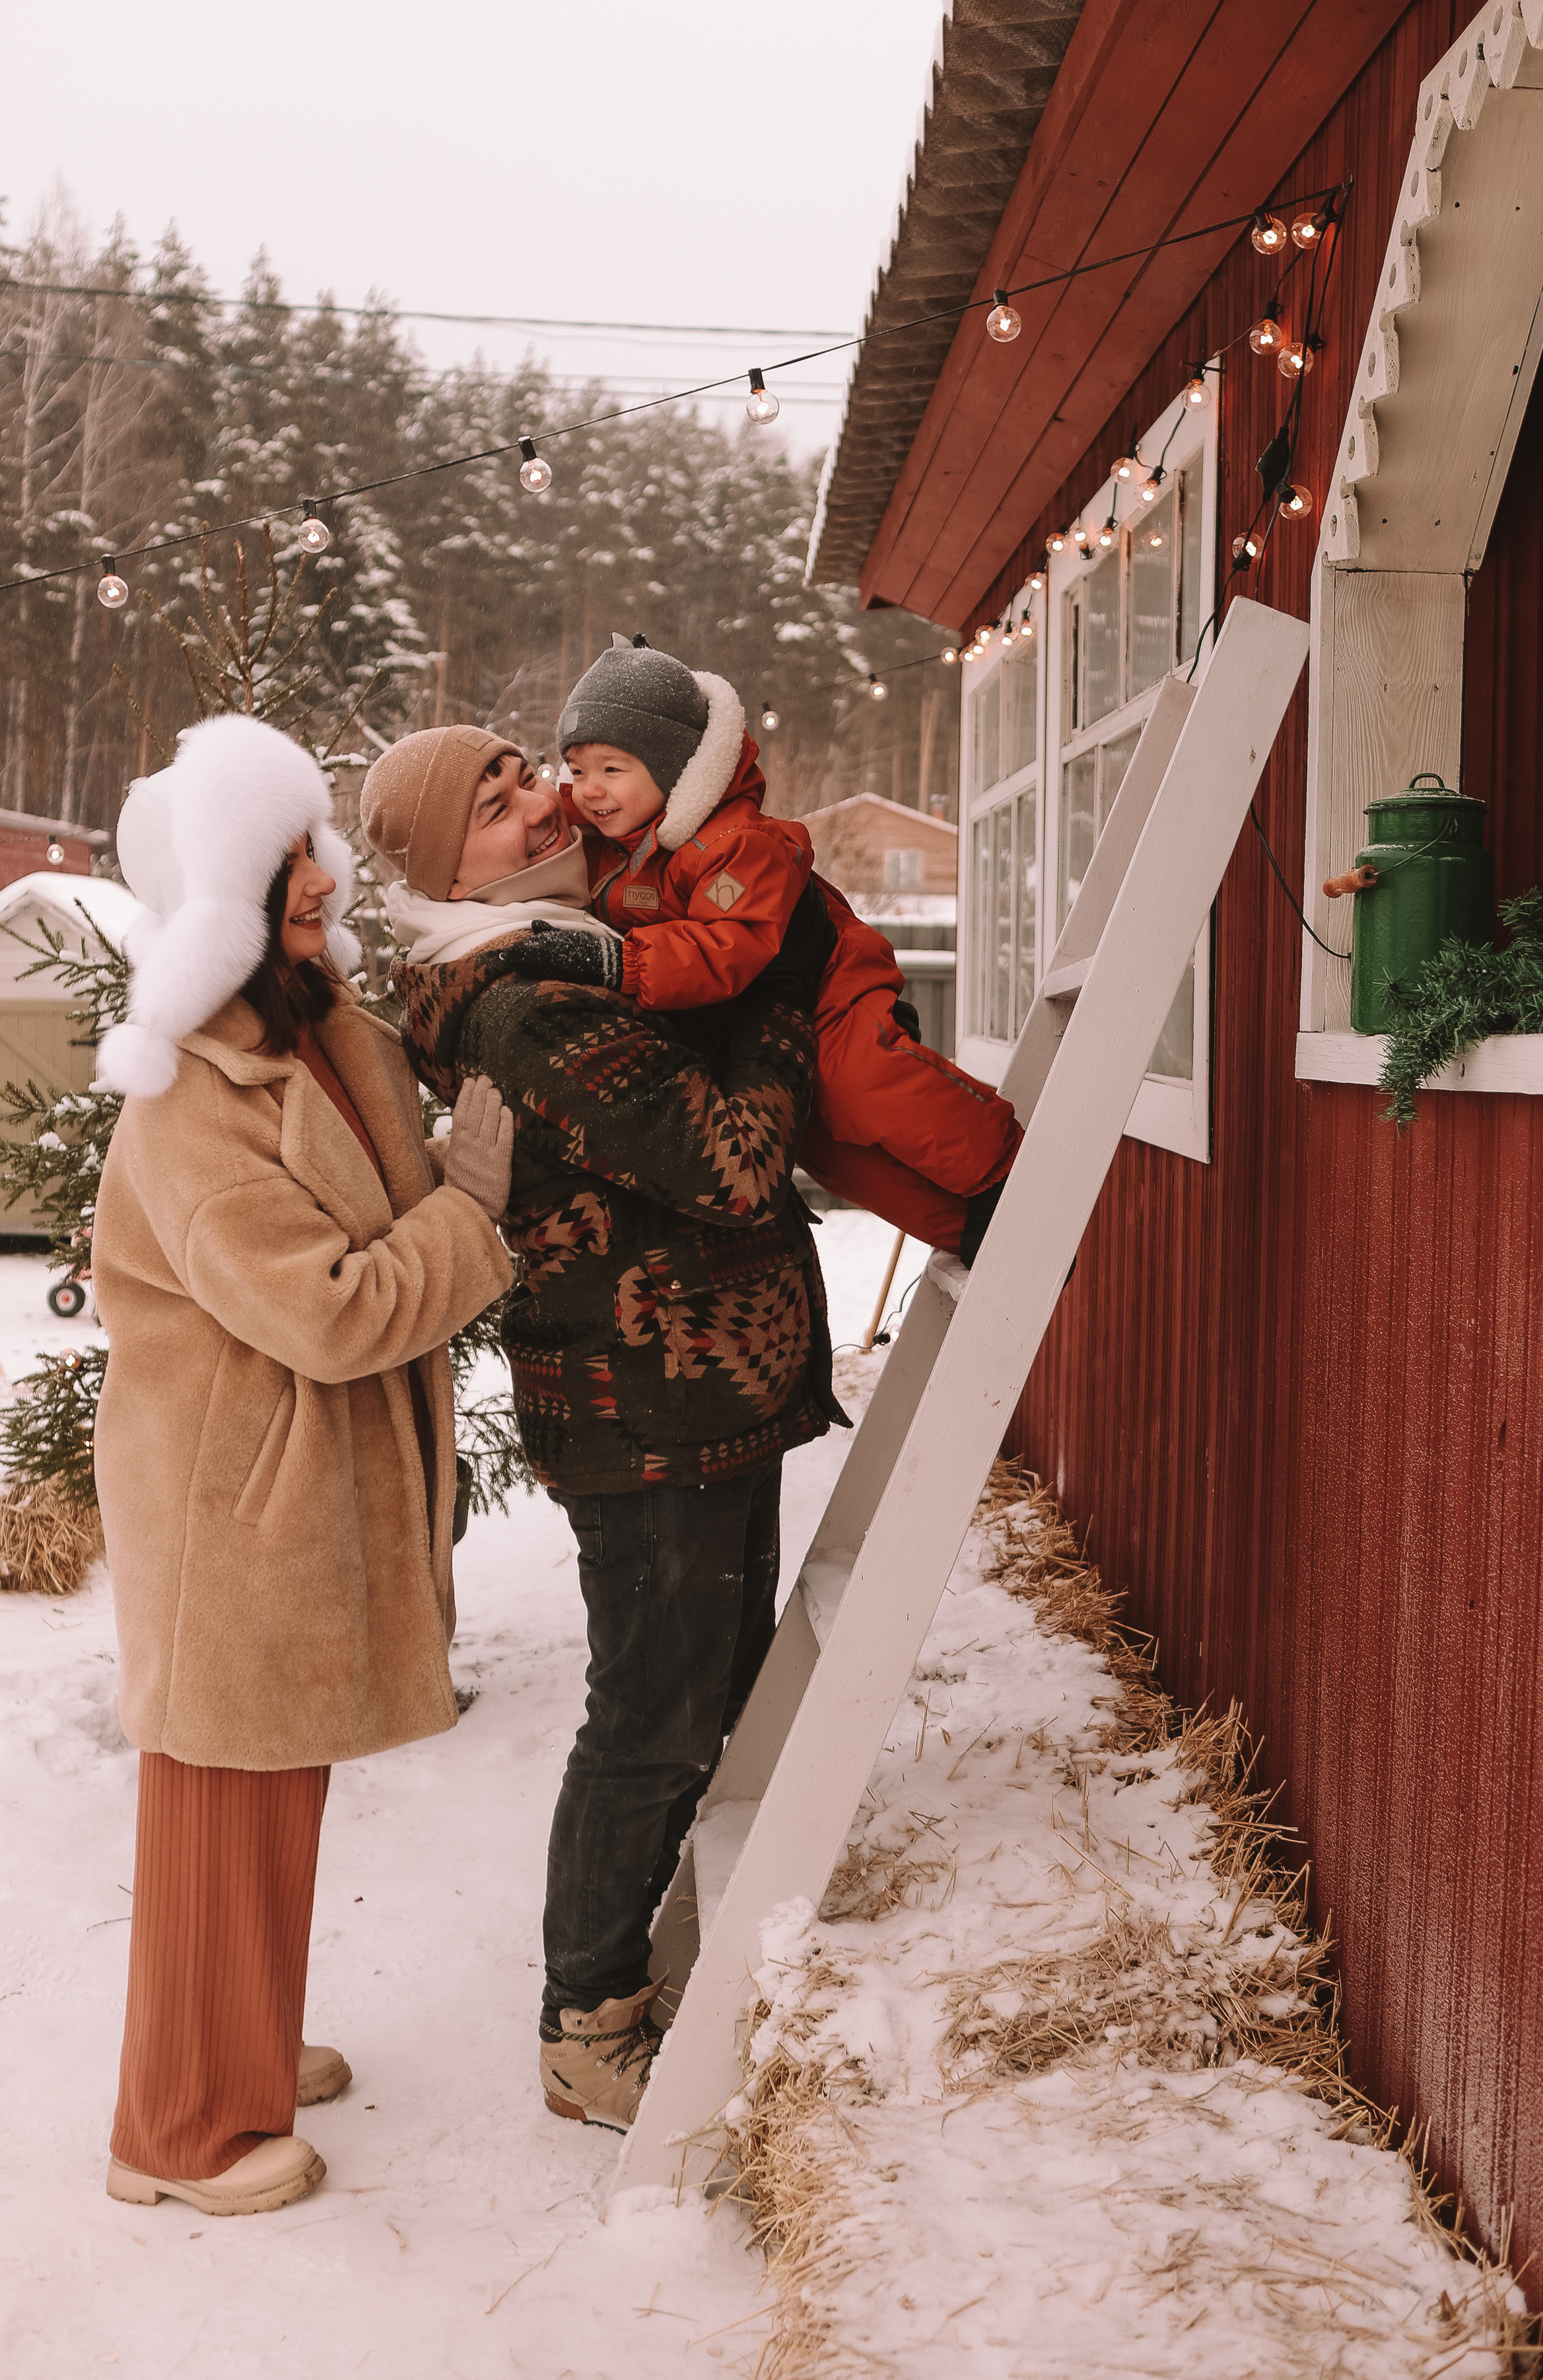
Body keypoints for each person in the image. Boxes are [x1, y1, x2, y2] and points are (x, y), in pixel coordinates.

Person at [359, 722, 842, 2132]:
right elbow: (731, 1166)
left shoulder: (566, 950)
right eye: (495, 805)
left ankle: (664, 1955)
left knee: (707, 1690)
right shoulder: (525, 1004)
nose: (541, 802)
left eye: (526, 772)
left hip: (691, 1397)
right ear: (447, 875)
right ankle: (587, 2024)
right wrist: (783, 989)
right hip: (647, 1410)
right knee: (653, 1718)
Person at [91, 713, 516, 2216]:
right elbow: (329, 1311)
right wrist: (472, 1212)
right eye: (289, 874)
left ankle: (246, 2043)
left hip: (287, 1493)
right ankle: (180, 2130)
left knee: (275, 1796)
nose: (325, 887)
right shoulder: (187, 1103)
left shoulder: (314, 1030)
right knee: (219, 1809)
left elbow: (372, 1214)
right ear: (222, 904)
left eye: (317, 858)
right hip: (230, 1507)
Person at [503, 635, 1023, 1264]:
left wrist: (623, 963)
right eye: (577, 770)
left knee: (859, 1087)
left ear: (673, 768)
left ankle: (1010, 1172)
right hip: (756, 1020)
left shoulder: (736, 842)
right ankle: (967, 1230)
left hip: (830, 988)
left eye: (612, 770)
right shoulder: (606, 838)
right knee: (819, 1146)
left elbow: (730, 943)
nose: (589, 790)